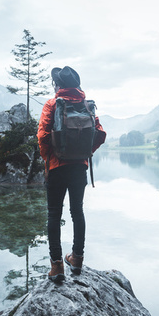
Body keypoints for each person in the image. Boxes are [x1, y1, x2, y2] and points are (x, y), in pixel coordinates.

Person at [37, 66, 106, 282]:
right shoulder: (87, 105)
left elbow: (42, 136)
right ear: (77, 86)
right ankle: (76, 259)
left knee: (53, 215)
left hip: (57, 167)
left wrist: (50, 158)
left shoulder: (53, 104)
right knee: (77, 211)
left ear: (58, 86)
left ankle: (57, 267)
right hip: (79, 168)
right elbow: (100, 134)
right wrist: (85, 154)